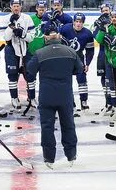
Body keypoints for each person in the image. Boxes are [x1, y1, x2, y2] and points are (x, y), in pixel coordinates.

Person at [27, 22, 82, 168]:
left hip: (47, 96)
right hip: (65, 96)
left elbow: (30, 72)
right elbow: (79, 70)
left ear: (45, 38)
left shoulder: (39, 53)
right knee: (68, 125)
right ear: (58, 35)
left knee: (47, 127)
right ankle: (71, 155)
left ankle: (49, 158)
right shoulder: (70, 51)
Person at [0, 0, 35, 109]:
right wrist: (11, 26)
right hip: (11, 50)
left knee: (30, 75)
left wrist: (23, 34)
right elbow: (6, 37)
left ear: (21, 6)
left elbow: (31, 37)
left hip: (25, 49)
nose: (16, 8)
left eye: (18, 6)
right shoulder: (6, 19)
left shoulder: (27, 18)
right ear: (10, 6)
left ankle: (32, 97)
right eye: (14, 6)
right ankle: (14, 98)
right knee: (12, 75)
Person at [58, 12, 94, 110]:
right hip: (65, 58)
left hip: (79, 58)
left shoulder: (88, 33)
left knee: (82, 79)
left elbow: (90, 51)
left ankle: (84, 101)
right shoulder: (65, 29)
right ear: (73, 21)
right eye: (77, 21)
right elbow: (56, 42)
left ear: (83, 23)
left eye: (81, 22)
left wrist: (87, 63)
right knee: (66, 81)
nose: (78, 24)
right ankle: (70, 101)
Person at [91, 3, 113, 110]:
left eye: (107, 10)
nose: (105, 12)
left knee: (113, 77)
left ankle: (114, 100)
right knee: (103, 76)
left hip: (114, 53)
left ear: (110, 10)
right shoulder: (97, 22)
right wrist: (101, 29)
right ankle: (107, 100)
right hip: (102, 52)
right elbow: (96, 37)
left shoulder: (114, 20)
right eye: (103, 10)